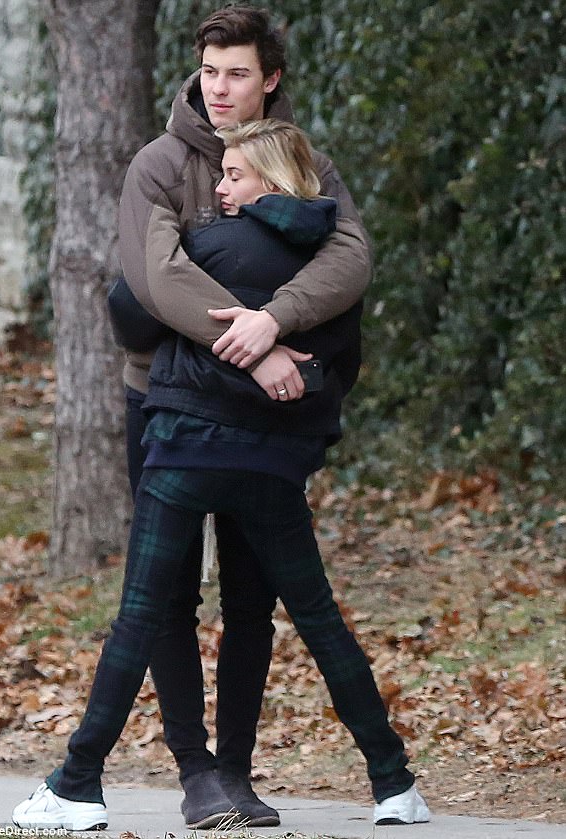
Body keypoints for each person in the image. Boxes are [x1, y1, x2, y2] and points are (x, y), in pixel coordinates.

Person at [12, 119, 429, 833]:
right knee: (318, 618)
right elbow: (338, 361)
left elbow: (132, 315)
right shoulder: (328, 266)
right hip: (270, 468)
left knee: (139, 617)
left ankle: (77, 783)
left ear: (270, 178)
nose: (222, 189)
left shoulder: (206, 245)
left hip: (183, 452)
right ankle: (394, 783)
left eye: (234, 176)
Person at [114, 5, 372, 829]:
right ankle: (194, 773)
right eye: (210, 72)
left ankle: (237, 772)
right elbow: (154, 275)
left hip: (269, 419)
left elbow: (350, 256)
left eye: (237, 73)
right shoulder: (157, 165)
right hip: (165, 400)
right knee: (169, 594)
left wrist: (280, 316)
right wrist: (255, 342)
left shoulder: (305, 162)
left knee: (253, 601)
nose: (219, 89)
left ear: (271, 79)